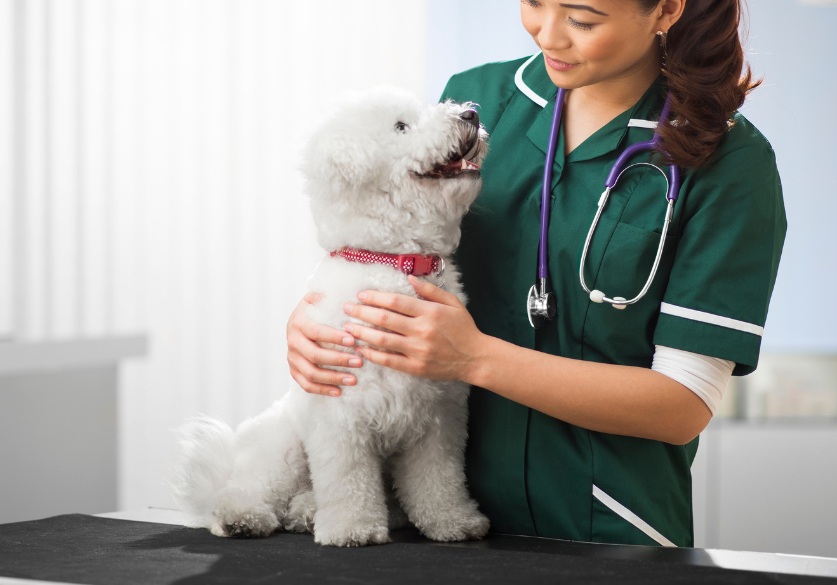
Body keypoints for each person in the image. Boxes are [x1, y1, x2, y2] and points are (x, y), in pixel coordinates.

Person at [286, 0, 786, 548]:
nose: (547, 35)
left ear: (666, 8)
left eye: (582, 19)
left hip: (604, 531)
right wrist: (319, 317)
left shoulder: (728, 160)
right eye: (533, 3)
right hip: (435, 530)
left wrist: (475, 358)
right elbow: (382, 234)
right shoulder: (481, 102)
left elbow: (682, 405)